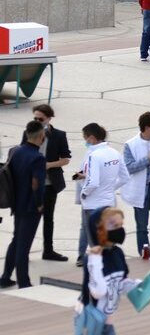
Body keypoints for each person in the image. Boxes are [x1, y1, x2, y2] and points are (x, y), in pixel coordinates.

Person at [74, 123, 128, 267]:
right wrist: (109, 188)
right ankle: (111, 264)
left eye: (85, 138)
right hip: (109, 203)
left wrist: (84, 194)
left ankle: (97, 267)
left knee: (94, 240)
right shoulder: (115, 153)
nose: (85, 141)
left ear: (91, 138)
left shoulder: (94, 156)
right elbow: (125, 177)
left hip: (93, 204)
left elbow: (93, 183)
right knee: (108, 236)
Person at [0, 120, 46, 289]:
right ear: (41, 137)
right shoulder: (38, 158)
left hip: (16, 202)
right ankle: (24, 282)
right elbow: (36, 184)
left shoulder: (15, 151)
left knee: (16, 240)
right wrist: (40, 203)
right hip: (30, 206)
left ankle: (5, 277)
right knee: (24, 245)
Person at [81, 207, 140, 334]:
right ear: (99, 229)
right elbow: (98, 291)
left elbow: (120, 282)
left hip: (108, 322)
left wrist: (136, 286)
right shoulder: (92, 259)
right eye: (114, 226)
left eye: (121, 225)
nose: (119, 230)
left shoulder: (117, 253)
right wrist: (95, 260)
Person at [120, 111, 150, 257]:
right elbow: (128, 167)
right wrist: (147, 159)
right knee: (142, 227)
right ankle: (144, 255)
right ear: (147, 128)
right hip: (142, 191)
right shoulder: (131, 145)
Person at [27, 105, 71, 262]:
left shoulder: (59, 135)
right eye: (35, 118)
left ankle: (48, 250)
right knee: (29, 219)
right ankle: (23, 250)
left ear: (49, 118)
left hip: (49, 184)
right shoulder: (29, 132)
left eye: (41, 119)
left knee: (48, 219)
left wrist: (48, 165)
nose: (37, 121)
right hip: (32, 183)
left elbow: (65, 159)